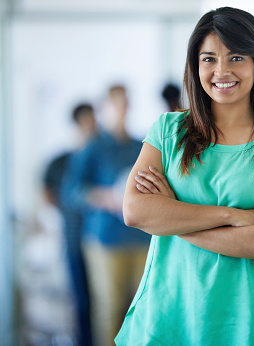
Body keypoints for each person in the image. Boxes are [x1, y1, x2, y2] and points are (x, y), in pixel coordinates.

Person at [115, 7, 254, 345]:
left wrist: (172, 215)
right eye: (208, 59)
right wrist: (232, 217)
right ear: (195, 67)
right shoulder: (168, 131)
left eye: (236, 57)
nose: (221, 70)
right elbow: (135, 212)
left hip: (248, 321)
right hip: (167, 315)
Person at [62, 86, 151, 346]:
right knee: (109, 307)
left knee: (141, 307)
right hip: (104, 240)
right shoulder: (94, 147)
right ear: (106, 108)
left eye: (126, 103)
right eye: (116, 104)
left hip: (141, 239)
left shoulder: (141, 145)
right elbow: (71, 192)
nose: (122, 109)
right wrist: (102, 197)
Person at [43, 103, 97, 346]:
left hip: (100, 242)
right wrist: (68, 210)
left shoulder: (100, 158)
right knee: (82, 302)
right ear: (78, 124)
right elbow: (47, 193)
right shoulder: (61, 161)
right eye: (87, 121)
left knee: (104, 302)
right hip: (74, 239)